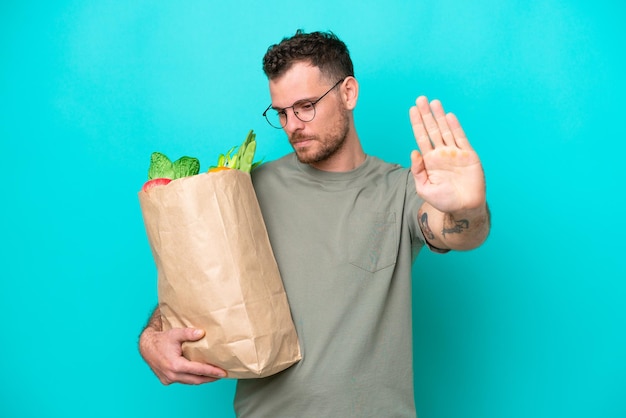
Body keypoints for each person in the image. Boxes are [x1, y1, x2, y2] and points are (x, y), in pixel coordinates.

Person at [139, 30, 490, 417]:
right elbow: (202, 287)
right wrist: (152, 337)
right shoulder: (247, 189)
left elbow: (457, 231)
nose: (292, 125)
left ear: (348, 93)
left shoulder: (403, 190)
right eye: (281, 112)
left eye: (305, 106)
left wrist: (468, 209)